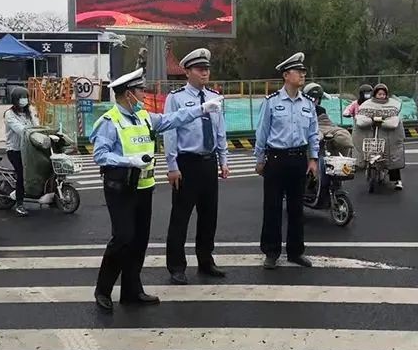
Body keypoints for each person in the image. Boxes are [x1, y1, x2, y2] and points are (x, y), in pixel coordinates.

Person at [91, 67, 223, 312]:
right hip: (120, 188)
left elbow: (172, 119)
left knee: (140, 240)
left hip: (144, 187)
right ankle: (103, 289)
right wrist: (127, 161)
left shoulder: (144, 117)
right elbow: (100, 155)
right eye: (140, 90)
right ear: (128, 94)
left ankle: (132, 290)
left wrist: (201, 109)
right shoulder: (110, 121)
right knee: (123, 238)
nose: (143, 94)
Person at [164, 48, 229, 285]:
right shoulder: (177, 98)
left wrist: (223, 160)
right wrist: (172, 165)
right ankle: (176, 266)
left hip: (208, 162)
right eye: (200, 69)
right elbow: (170, 132)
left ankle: (206, 260)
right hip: (187, 163)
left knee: (208, 215)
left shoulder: (214, 96)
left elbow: (220, 130)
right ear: (187, 71)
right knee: (180, 216)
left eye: (207, 69)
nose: (205, 73)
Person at [254, 52, 319, 269]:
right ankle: (271, 252)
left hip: (299, 158)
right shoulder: (271, 102)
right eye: (298, 71)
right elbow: (262, 132)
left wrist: (313, 158)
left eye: (303, 71)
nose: (302, 75)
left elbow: (312, 133)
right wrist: (260, 159)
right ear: (285, 75)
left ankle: (295, 251)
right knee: (272, 207)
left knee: (296, 207)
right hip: (276, 158)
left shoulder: (308, 103)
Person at [353, 83, 406, 189]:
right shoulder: (367, 104)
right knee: (370, 151)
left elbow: (395, 120)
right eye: (379, 94)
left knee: (393, 156)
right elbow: (361, 117)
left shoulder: (393, 104)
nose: (381, 96)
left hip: (388, 136)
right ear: (375, 94)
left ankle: (397, 180)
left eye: (383, 94)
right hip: (373, 133)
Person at [3, 86, 39, 217]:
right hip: (15, 150)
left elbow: (37, 125)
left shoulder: (29, 111)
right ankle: (19, 204)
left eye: (26, 97)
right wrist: (31, 132)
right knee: (22, 174)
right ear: (15, 100)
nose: (24, 100)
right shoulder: (9, 114)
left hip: (29, 148)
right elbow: (20, 130)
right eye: (21, 98)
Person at [302, 82, 354, 156]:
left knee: (343, 134)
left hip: (325, 126)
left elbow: (326, 123)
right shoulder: (301, 109)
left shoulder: (321, 109)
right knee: (315, 137)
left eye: (316, 99)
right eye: (312, 99)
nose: (314, 101)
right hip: (312, 130)